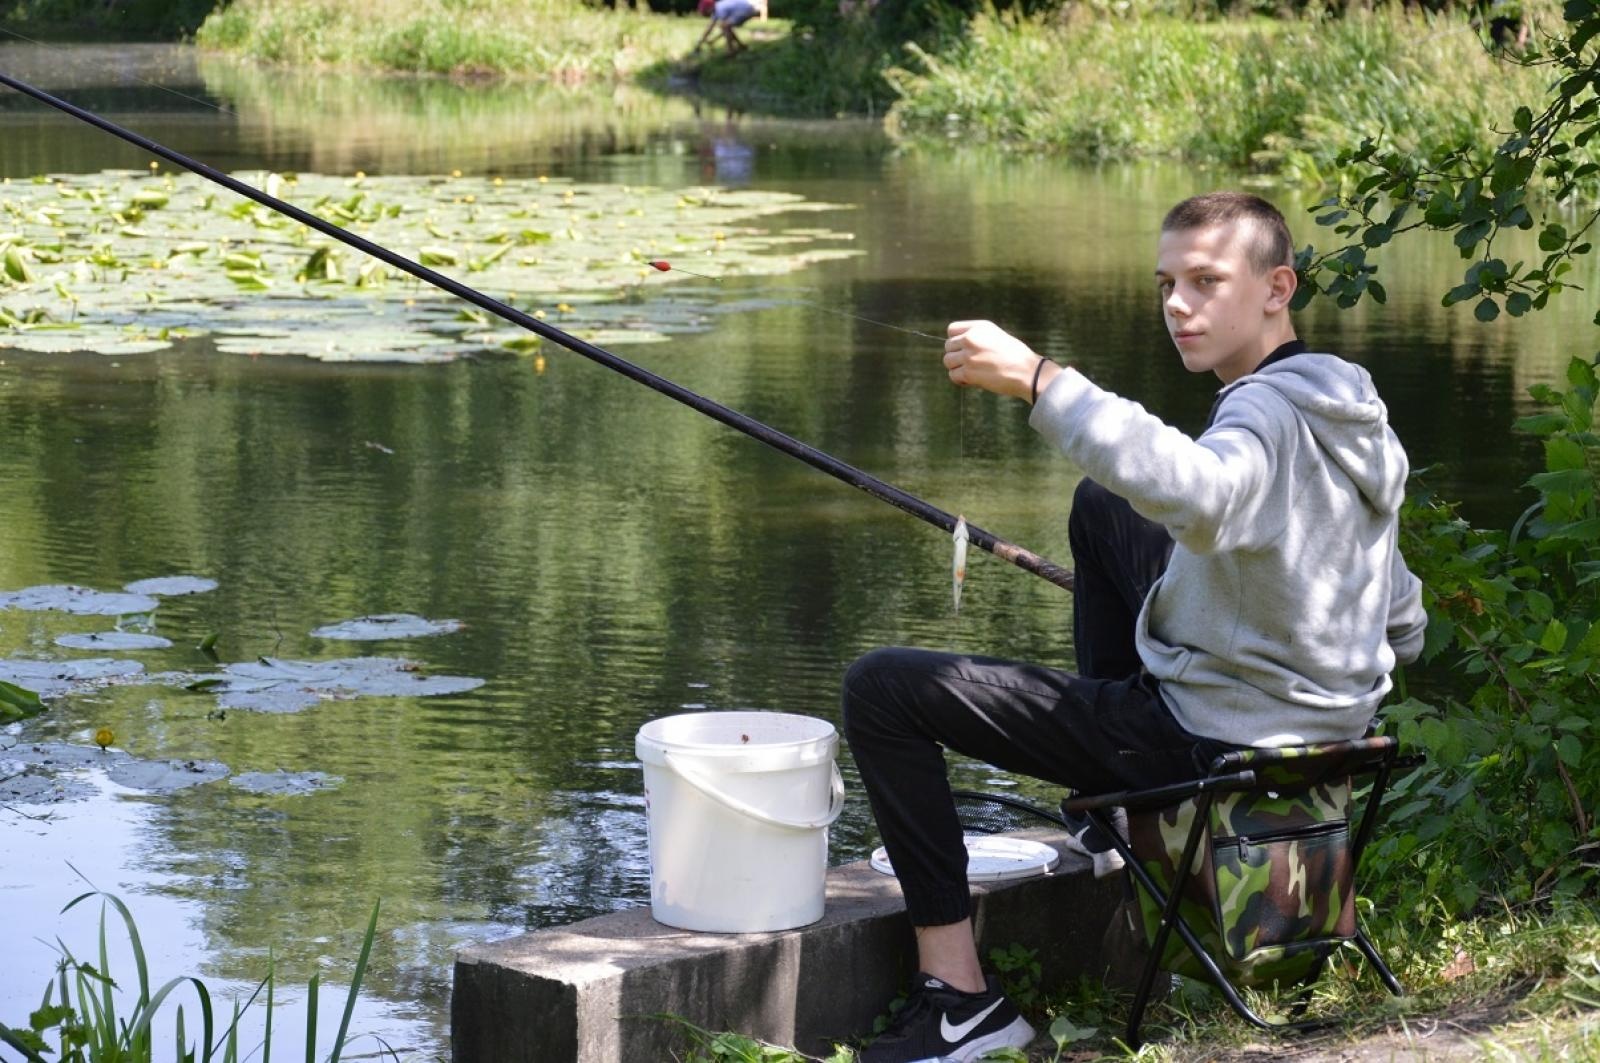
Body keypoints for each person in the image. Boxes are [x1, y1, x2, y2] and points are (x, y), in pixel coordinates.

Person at [841, 191, 1427, 1063]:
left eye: (1206, 281)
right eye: (1165, 285)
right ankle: (1106, 815)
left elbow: (1198, 490)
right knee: (1105, 502)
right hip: (1327, 733)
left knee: (882, 689)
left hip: (1213, 743)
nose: (1178, 305)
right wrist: (1276, 629)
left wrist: (1040, 379)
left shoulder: (1261, 413)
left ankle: (960, 1002)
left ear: (1278, 288)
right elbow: (1398, 612)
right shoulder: (1347, 407)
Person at [688, 0, 761, 56]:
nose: (706, 14)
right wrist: (700, 43)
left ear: (709, 8)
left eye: (705, 11)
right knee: (726, 26)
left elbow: (724, 28)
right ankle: (741, 46)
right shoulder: (716, 9)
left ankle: (730, 50)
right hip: (745, 9)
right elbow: (709, 29)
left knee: (725, 26)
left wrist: (713, 40)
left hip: (746, 9)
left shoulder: (720, 9)